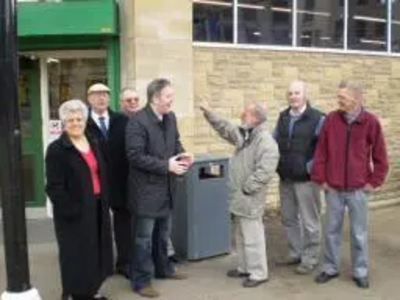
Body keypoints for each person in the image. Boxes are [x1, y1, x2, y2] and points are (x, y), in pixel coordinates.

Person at [312, 80, 389, 289]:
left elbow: (381, 157)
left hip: (358, 189)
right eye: (339, 97)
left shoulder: (370, 122)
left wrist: (374, 182)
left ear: (356, 99)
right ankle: (330, 268)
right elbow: (321, 152)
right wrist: (321, 179)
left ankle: (360, 271)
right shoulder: (331, 119)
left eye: (342, 98)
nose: (339, 101)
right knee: (331, 231)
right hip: (333, 188)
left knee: (359, 233)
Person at [200, 100, 279, 288]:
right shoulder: (246, 135)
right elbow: (225, 128)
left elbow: (265, 171)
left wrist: (247, 188)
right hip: (240, 197)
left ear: (255, 118)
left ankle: (259, 273)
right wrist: (209, 112)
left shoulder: (265, 141)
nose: (242, 114)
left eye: (246, 113)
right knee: (242, 236)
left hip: (250, 197)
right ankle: (245, 268)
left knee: (253, 237)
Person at [126, 78, 193, 298]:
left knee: (163, 234)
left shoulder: (170, 117)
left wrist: (183, 155)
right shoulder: (137, 122)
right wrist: (167, 165)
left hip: (167, 188)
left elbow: (175, 143)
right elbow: (135, 157)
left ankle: (164, 269)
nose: (171, 101)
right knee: (143, 239)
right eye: (168, 97)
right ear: (155, 98)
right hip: (145, 192)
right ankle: (141, 282)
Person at [45, 99, 113, 300]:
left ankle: (91, 290)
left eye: (79, 119)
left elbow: (101, 172)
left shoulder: (92, 141)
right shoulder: (58, 149)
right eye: (70, 120)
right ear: (64, 124)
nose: (75, 123)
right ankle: (75, 293)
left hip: (97, 204)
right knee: (76, 254)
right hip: (74, 211)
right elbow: (54, 187)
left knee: (96, 249)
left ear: (85, 120)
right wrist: (71, 209)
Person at [274, 80, 325, 274]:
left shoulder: (318, 118)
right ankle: (295, 252)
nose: (293, 97)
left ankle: (310, 258)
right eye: (290, 93)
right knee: (288, 218)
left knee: (310, 221)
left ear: (305, 95)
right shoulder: (283, 117)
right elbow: (274, 140)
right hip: (285, 177)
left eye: (297, 93)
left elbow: (324, 149)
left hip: (306, 180)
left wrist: (309, 168)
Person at [85, 83, 131, 279]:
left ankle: (125, 263)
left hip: (121, 180)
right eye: (96, 94)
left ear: (110, 98)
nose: (101, 98)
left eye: (104, 94)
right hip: (94, 182)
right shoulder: (82, 122)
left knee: (124, 225)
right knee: (97, 224)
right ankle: (100, 266)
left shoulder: (122, 120)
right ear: (89, 99)